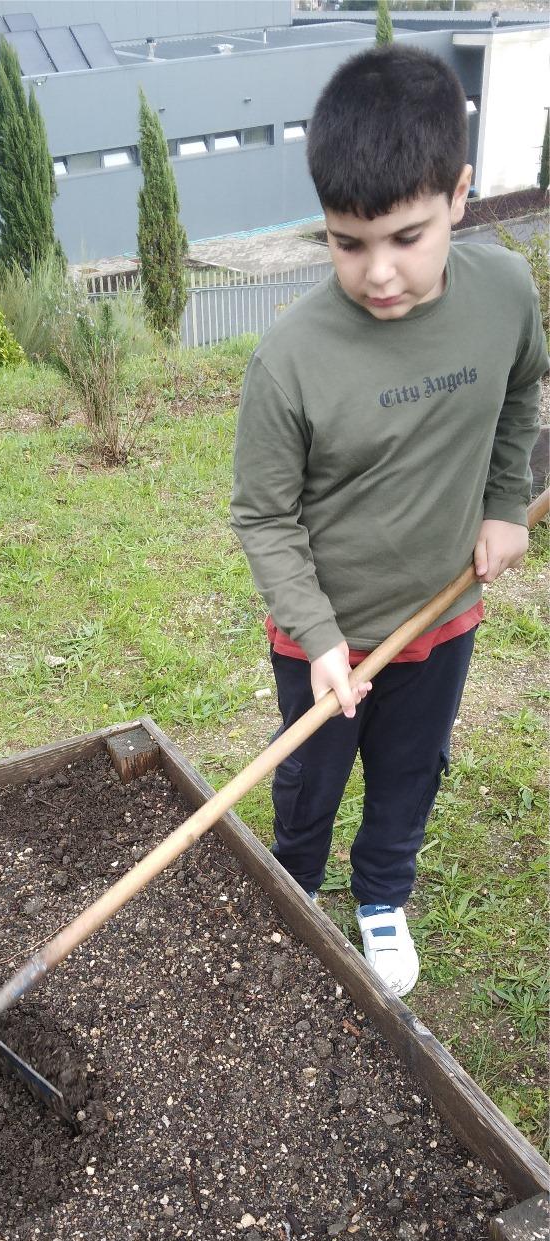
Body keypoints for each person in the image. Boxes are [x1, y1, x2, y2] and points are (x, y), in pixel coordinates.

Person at [231, 45, 547, 998]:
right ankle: (293, 885)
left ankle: (380, 897)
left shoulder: (505, 294)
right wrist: (319, 639)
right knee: (308, 783)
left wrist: (501, 505)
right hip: (323, 638)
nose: (376, 274)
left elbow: (521, 395)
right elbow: (262, 513)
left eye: (405, 237)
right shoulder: (290, 358)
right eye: (345, 242)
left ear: (458, 195)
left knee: (411, 771)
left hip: (441, 613)